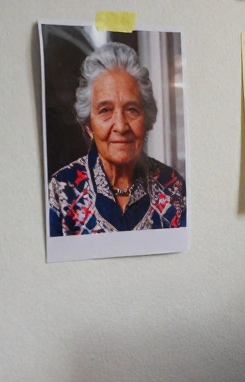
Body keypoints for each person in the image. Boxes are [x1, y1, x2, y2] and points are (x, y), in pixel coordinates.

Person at [47, 42, 186, 236]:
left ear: (146, 120)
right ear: (89, 125)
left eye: (132, 109)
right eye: (105, 110)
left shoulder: (173, 187)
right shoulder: (61, 191)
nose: (121, 126)